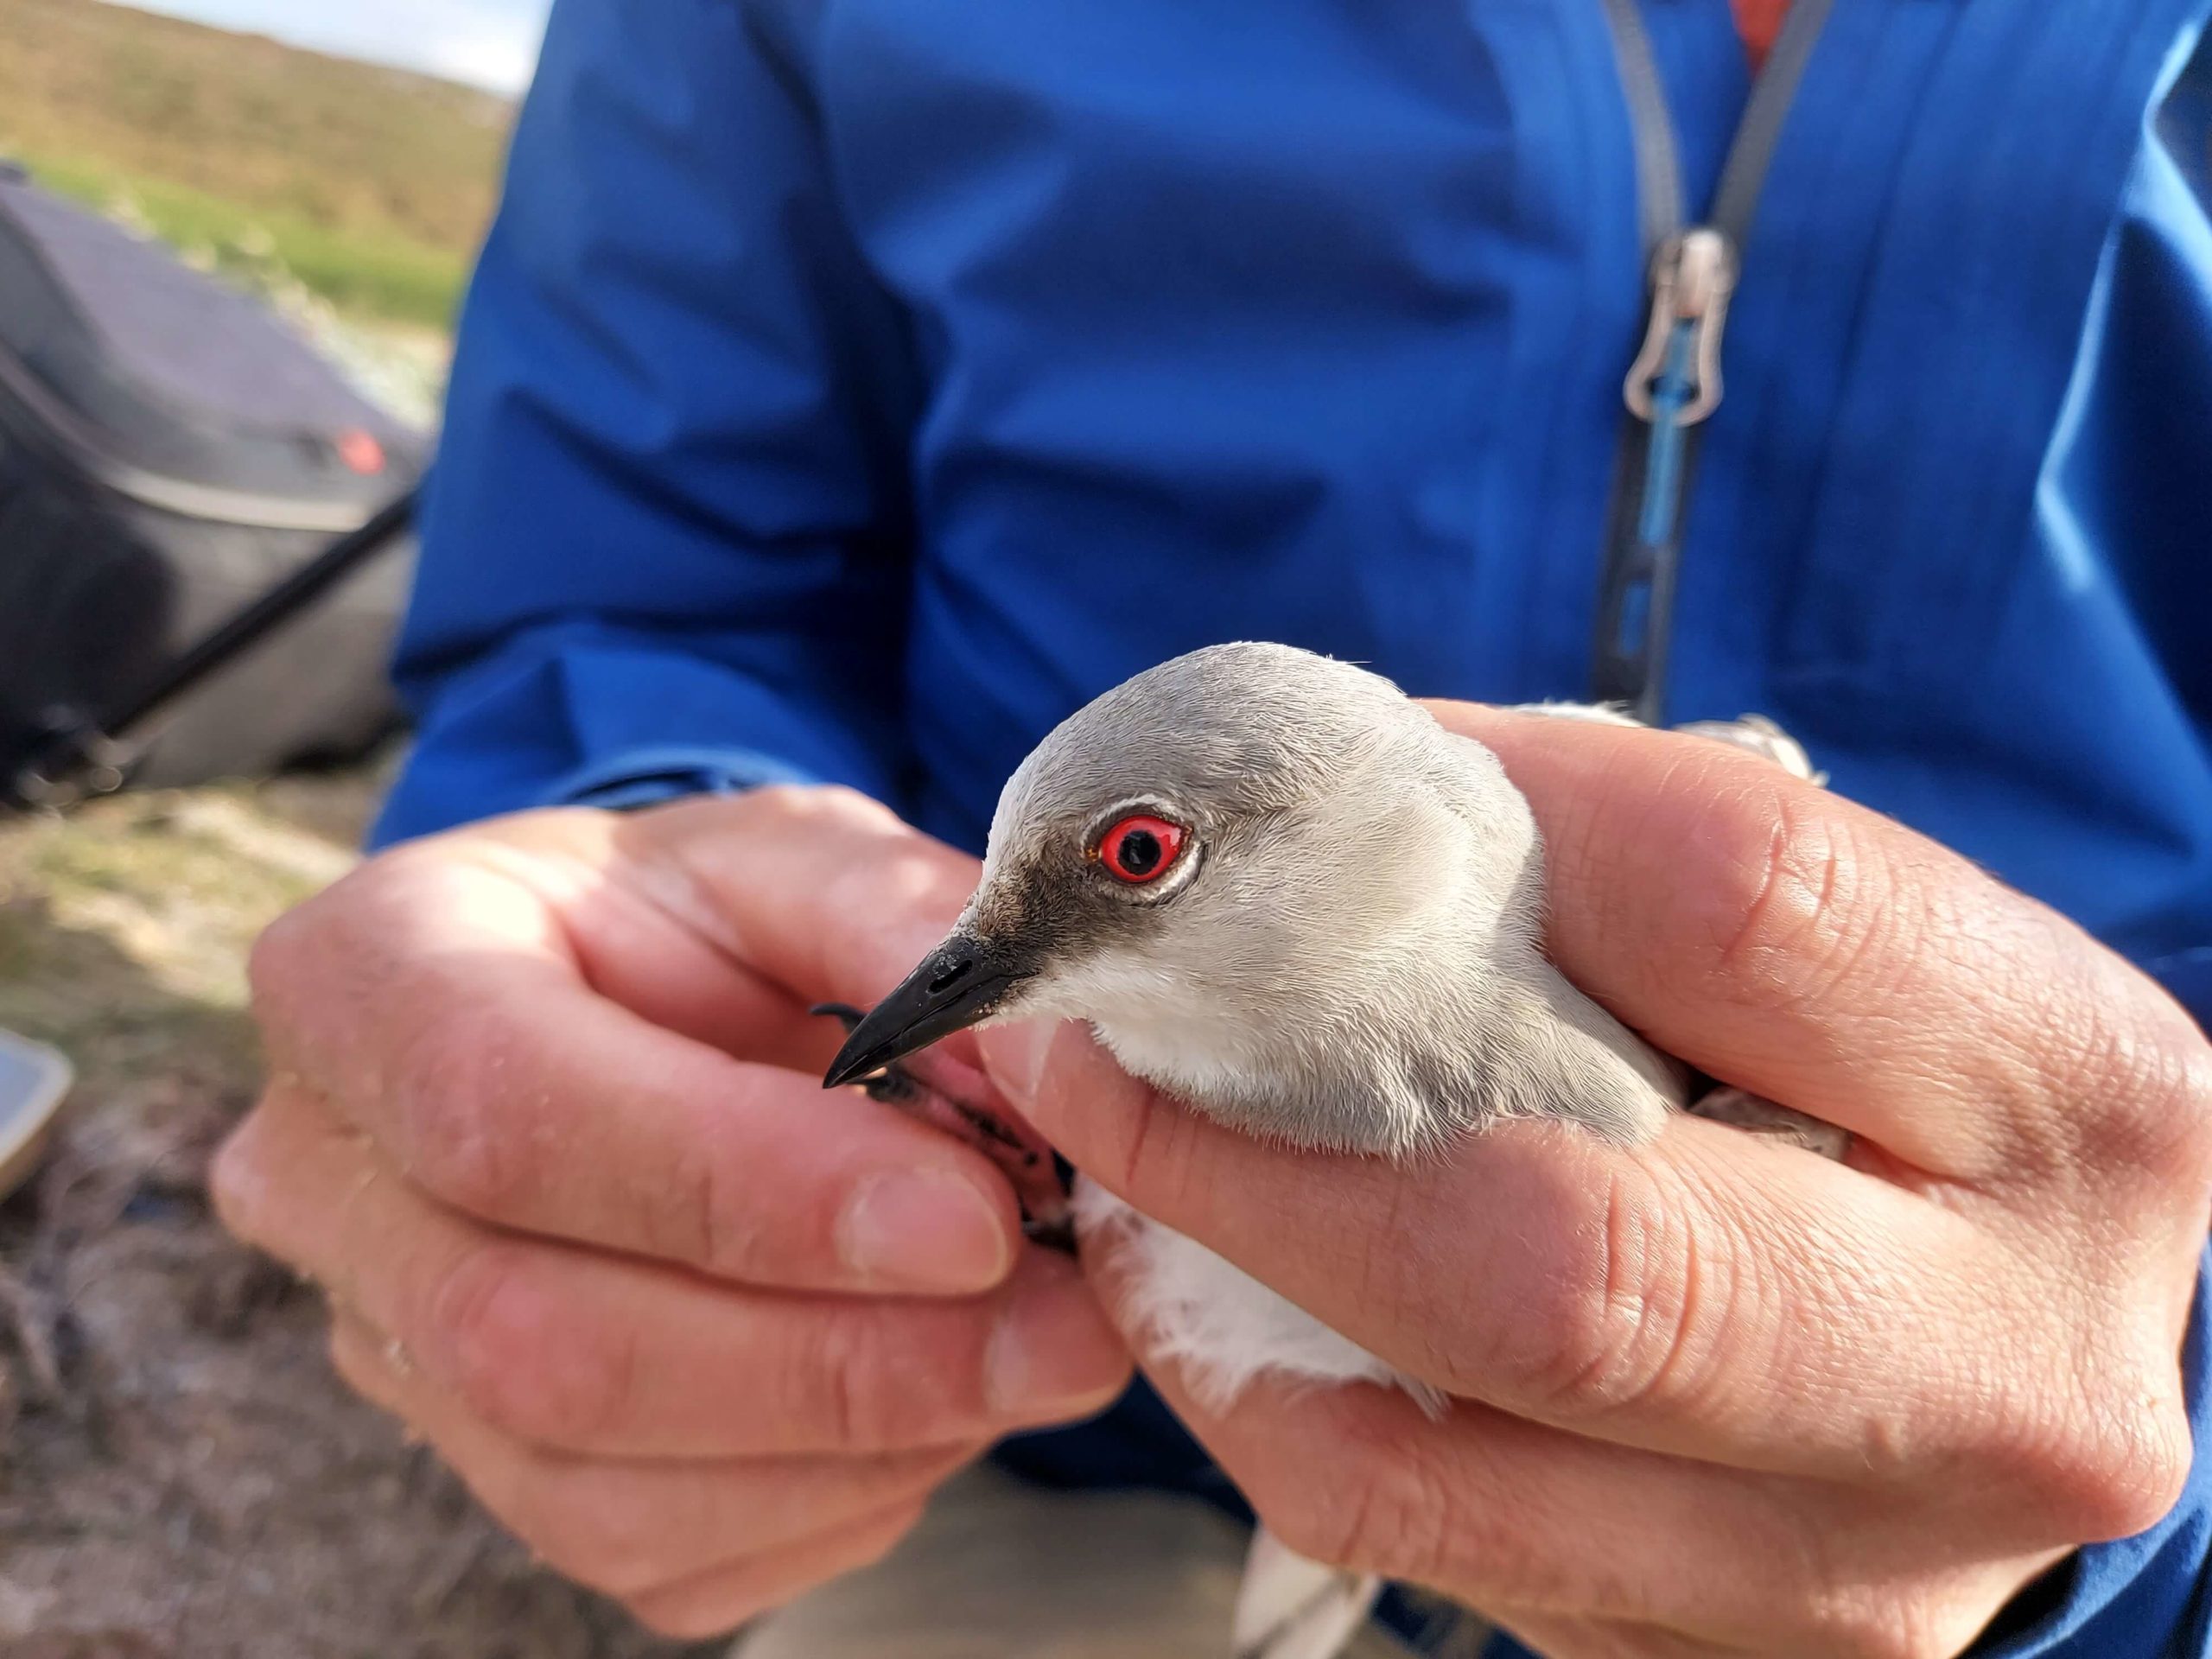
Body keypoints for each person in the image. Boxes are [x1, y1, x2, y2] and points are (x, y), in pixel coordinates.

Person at [213, 0, 2212, 1653]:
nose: (985, 967)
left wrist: (2136, 1507)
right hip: (1011, 1457)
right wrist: (626, 864)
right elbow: (626, 596)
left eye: (1136, 859)